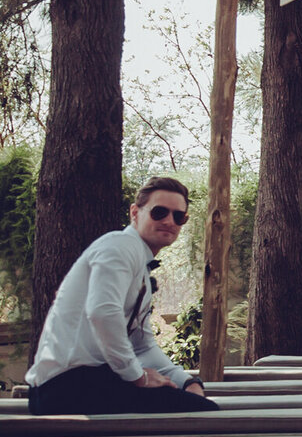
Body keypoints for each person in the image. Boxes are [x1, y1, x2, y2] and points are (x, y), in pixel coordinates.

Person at [27, 176, 217, 415]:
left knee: (200, 410)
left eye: (179, 217)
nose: (170, 221)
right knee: (203, 416)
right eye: (159, 212)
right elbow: (103, 312)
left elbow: (142, 346)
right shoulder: (119, 245)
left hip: (85, 384)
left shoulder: (141, 270)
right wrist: (137, 376)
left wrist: (187, 382)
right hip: (65, 387)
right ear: (135, 213)